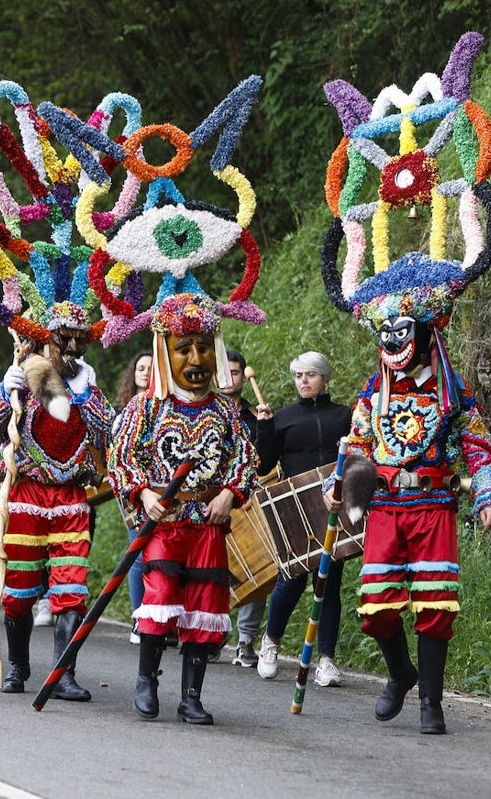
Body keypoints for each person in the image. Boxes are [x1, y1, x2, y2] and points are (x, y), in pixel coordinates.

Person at [317, 32, 491, 734]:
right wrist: (342, 483)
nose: (394, 342)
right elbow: (356, 444)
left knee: (436, 605)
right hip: (387, 510)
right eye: (385, 334)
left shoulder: (451, 393)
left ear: (425, 331)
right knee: (372, 608)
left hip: (433, 505)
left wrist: (486, 491)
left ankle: (428, 700)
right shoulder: (375, 394)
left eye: (405, 332)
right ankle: (396, 673)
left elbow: (478, 446)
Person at [108, 294, 258, 725]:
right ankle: (146, 681)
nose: (196, 358)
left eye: (204, 347)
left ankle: (191, 696)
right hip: (164, 523)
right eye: (184, 348)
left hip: (208, 526)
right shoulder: (146, 408)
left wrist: (230, 493)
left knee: (204, 605)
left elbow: (245, 460)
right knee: (159, 600)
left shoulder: (228, 411)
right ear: (164, 353)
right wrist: (143, 494)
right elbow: (121, 459)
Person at [0, 321, 113, 700]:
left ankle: (63, 674)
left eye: (78, 341)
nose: (71, 348)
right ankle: (18, 666)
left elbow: (108, 434)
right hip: (25, 494)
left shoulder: (87, 385)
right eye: (61, 340)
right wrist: (6, 391)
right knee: (19, 590)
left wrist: (86, 394)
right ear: (43, 341)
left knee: (71, 587)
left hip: (70, 497)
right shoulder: (23, 380)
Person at [251, 352, 352, 687]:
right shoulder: (283, 417)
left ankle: (325, 660)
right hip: (294, 506)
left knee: (329, 584)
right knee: (291, 580)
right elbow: (263, 465)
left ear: (324, 378)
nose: (304, 381)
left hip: (332, 504)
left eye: (310, 375)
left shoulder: (344, 417)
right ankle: (270, 644)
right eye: (298, 376)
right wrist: (264, 428)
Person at [217, 350, 263, 667]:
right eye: (223, 371)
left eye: (234, 372)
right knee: (213, 567)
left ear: (244, 376)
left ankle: (245, 639)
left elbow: (265, 458)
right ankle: (214, 629)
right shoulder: (203, 413)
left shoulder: (254, 417)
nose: (228, 378)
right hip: (211, 498)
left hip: (246, 497)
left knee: (255, 565)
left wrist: (267, 426)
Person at [111, 350, 153, 643]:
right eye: (140, 367)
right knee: (137, 551)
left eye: (151, 367)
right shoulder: (121, 410)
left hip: (164, 486)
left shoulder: (167, 404)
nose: (145, 372)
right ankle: (139, 617)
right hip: (134, 490)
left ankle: (161, 616)